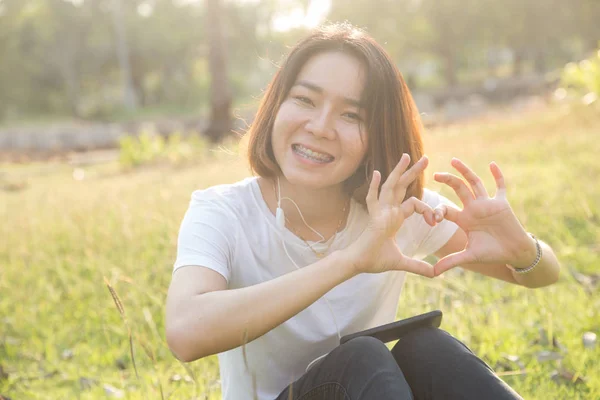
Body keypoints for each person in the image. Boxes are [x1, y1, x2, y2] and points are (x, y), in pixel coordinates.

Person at [165, 22, 560, 400]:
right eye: (304, 99)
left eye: (351, 115)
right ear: (276, 106)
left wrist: (524, 249)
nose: (320, 127)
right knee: (363, 357)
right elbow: (185, 332)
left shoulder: (395, 213)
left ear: (378, 136)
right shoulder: (222, 211)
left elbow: (540, 276)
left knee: (427, 348)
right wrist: (351, 261)